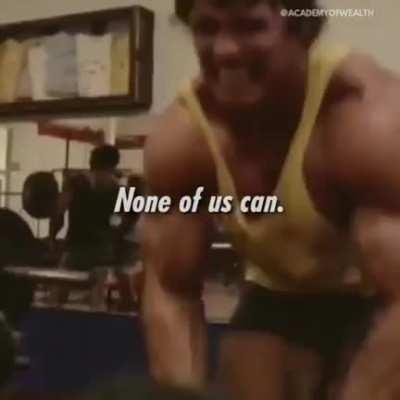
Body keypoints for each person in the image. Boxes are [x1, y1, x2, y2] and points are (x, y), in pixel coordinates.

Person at [141, 0, 400, 399]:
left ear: (302, 32)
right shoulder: (183, 138)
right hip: (281, 294)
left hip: (377, 296)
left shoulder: (366, 119)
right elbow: (170, 287)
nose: (225, 50)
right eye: (206, 28)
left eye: (251, 27)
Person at [49, 145, 132, 308]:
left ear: (92, 161)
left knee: (56, 298)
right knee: (97, 301)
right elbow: (123, 222)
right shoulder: (121, 190)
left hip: (76, 246)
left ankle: (48, 322)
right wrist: (111, 238)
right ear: (114, 164)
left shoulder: (75, 182)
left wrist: (52, 237)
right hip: (103, 249)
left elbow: (59, 212)